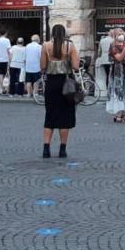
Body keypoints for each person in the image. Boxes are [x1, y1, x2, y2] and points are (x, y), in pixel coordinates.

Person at [40, 24, 79, 158]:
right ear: (64, 33)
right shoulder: (70, 46)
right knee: (65, 117)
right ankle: (62, 149)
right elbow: (75, 66)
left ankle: (46, 148)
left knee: (50, 115)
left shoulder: (45, 46)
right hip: (66, 84)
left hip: (51, 84)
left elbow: (43, 66)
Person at [106, 31, 125, 123]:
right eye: (119, 33)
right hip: (117, 74)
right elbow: (119, 58)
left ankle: (123, 112)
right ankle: (118, 114)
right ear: (115, 36)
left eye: (123, 33)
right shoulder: (113, 46)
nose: (122, 35)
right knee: (118, 92)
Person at [0, 31, 12, 95]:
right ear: (5, 33)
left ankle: (2, 88)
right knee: (7, 75)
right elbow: (9, 50)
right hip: (6, 59)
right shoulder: (7, 40)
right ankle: (6, 88)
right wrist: (10, 59)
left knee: (0, 74)